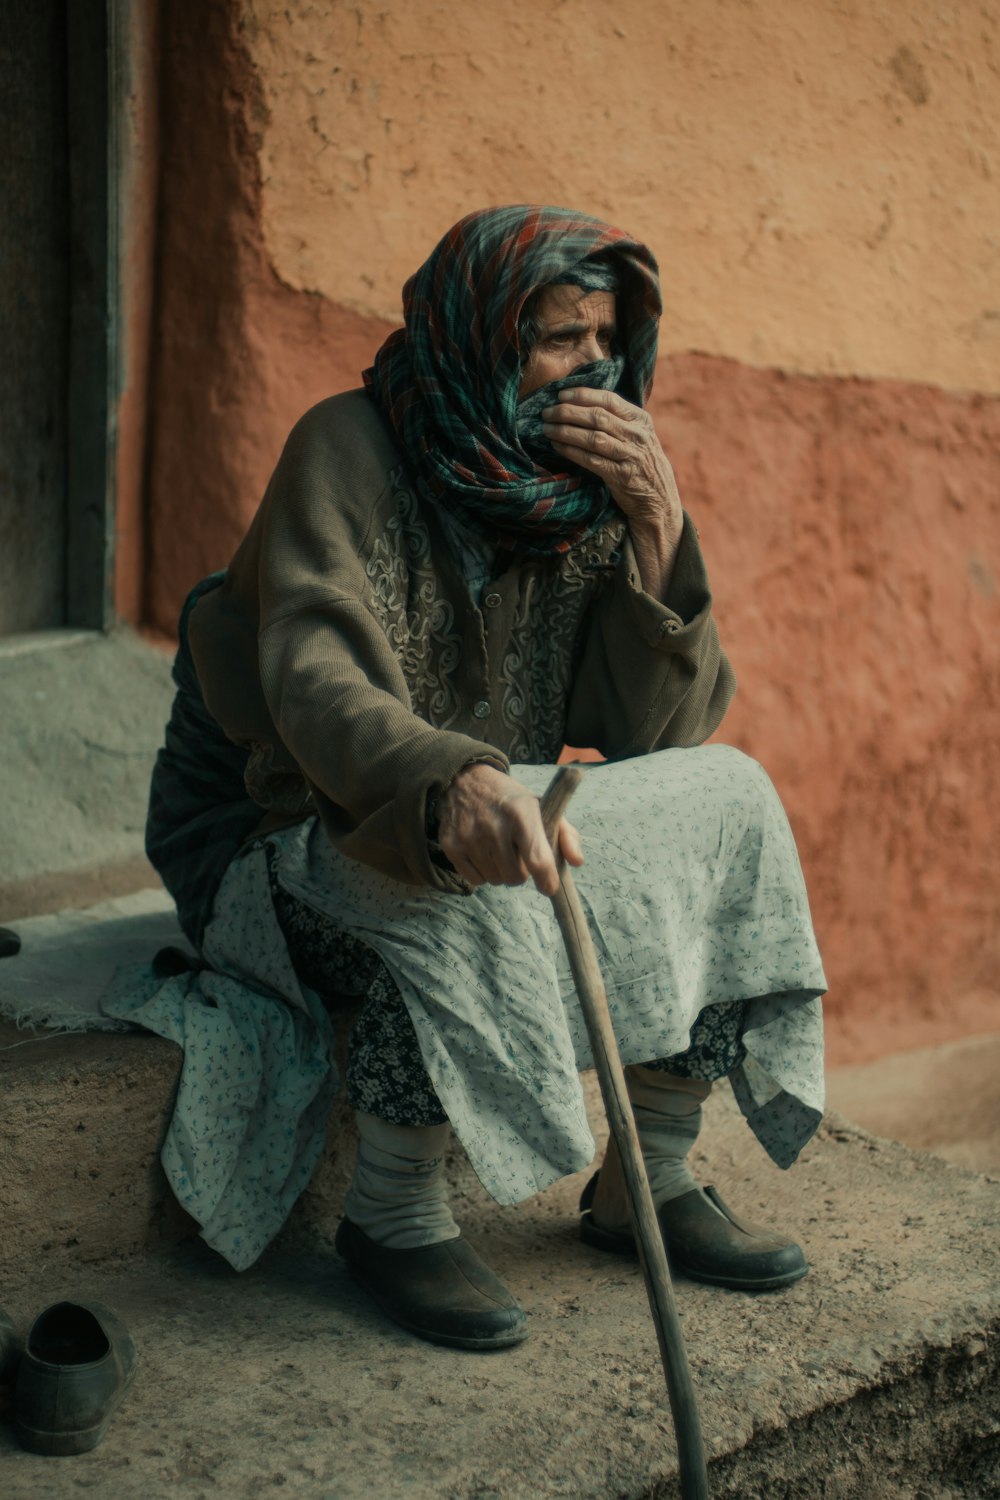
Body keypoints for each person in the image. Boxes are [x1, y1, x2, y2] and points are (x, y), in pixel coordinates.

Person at [144, 205, 826, 1351]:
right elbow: (313, 675)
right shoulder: (346, 445)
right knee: (457, 880)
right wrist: (449, 783)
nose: (593, 370)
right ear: (481, 337)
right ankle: (395, 1214)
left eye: (605, 341)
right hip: (282, 830)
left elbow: (655, 737)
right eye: (559, 339)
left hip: (487, 803)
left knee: (728, 798)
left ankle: (645, 1179)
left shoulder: (580, 485)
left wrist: (657, 521)